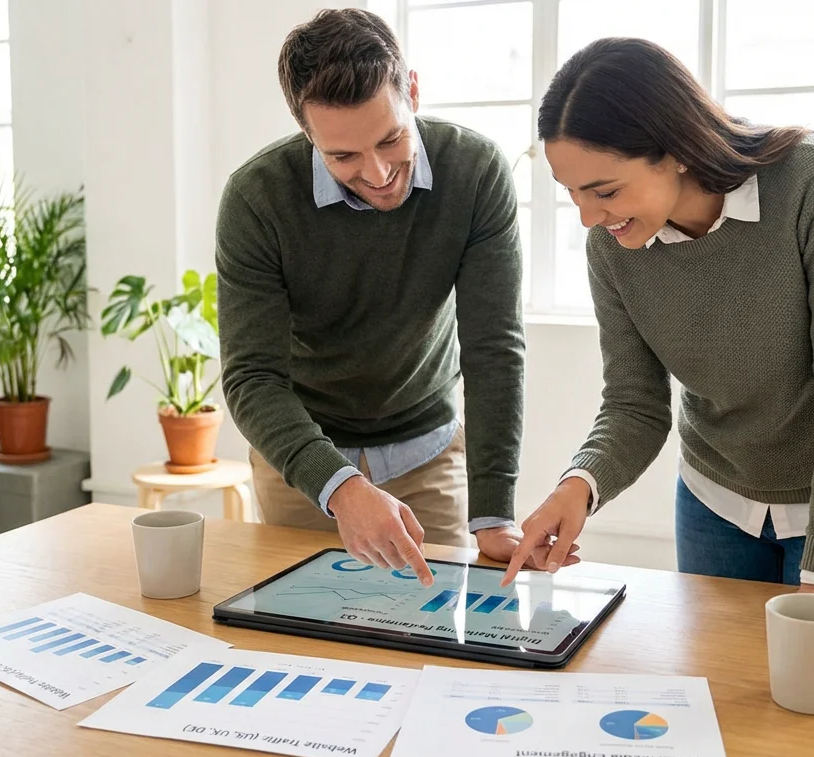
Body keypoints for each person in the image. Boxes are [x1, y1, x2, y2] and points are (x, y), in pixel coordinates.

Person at [502, 38, 814, 662]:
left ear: (673, 152)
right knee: (723, 698)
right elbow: (636, 406)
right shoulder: (613, 248)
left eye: (605, 191)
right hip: (717, 501)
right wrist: (578, 485)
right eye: (572, 192)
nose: (588, 217)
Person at [216, 9, 566, 585]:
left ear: (414, 92)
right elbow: (252, 377)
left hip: (426, 454)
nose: (377, 173)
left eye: (391, 138)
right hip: (302, 461)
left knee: (430, 646)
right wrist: (340, 487)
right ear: (307, 133)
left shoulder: (474, 172)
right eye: (342, 156)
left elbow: (493, 349)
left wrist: (494, 512)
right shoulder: (257, 199)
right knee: (300, 647)